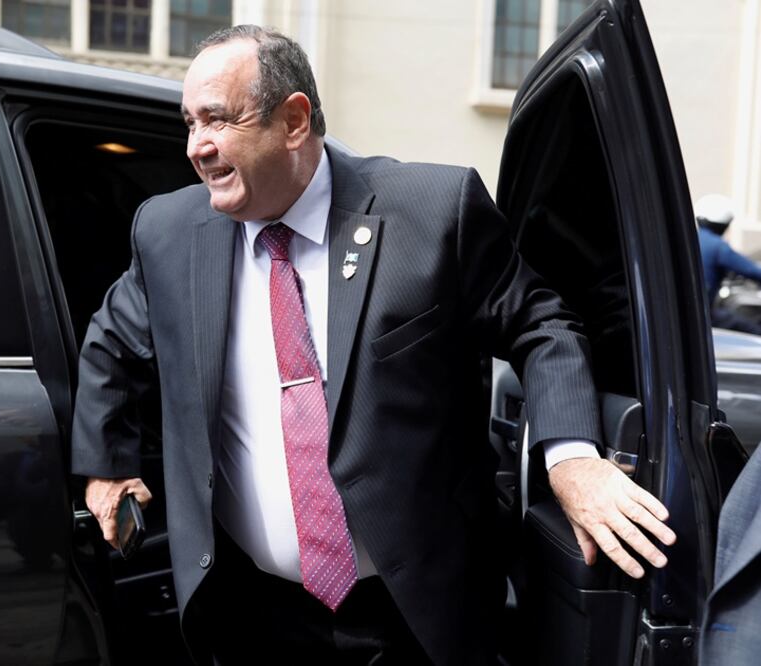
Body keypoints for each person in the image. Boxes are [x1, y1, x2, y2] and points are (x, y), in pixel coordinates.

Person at [72, 25, 677, 665]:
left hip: (414, 613)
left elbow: (541, 325)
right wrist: (108, 463)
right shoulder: (170, 231)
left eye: (218, 120)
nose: (197, 147)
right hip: (251, 608)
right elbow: (113, 341)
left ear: (295, 120)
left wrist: (572, 460)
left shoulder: (431, 210)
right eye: (190, 123)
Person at [696, 193, 761, 335]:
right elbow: (752, 271)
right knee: (753, 329)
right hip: (706, 314)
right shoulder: (718, 247)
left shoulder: (694, 240)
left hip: (696, 311)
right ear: (725, 224)